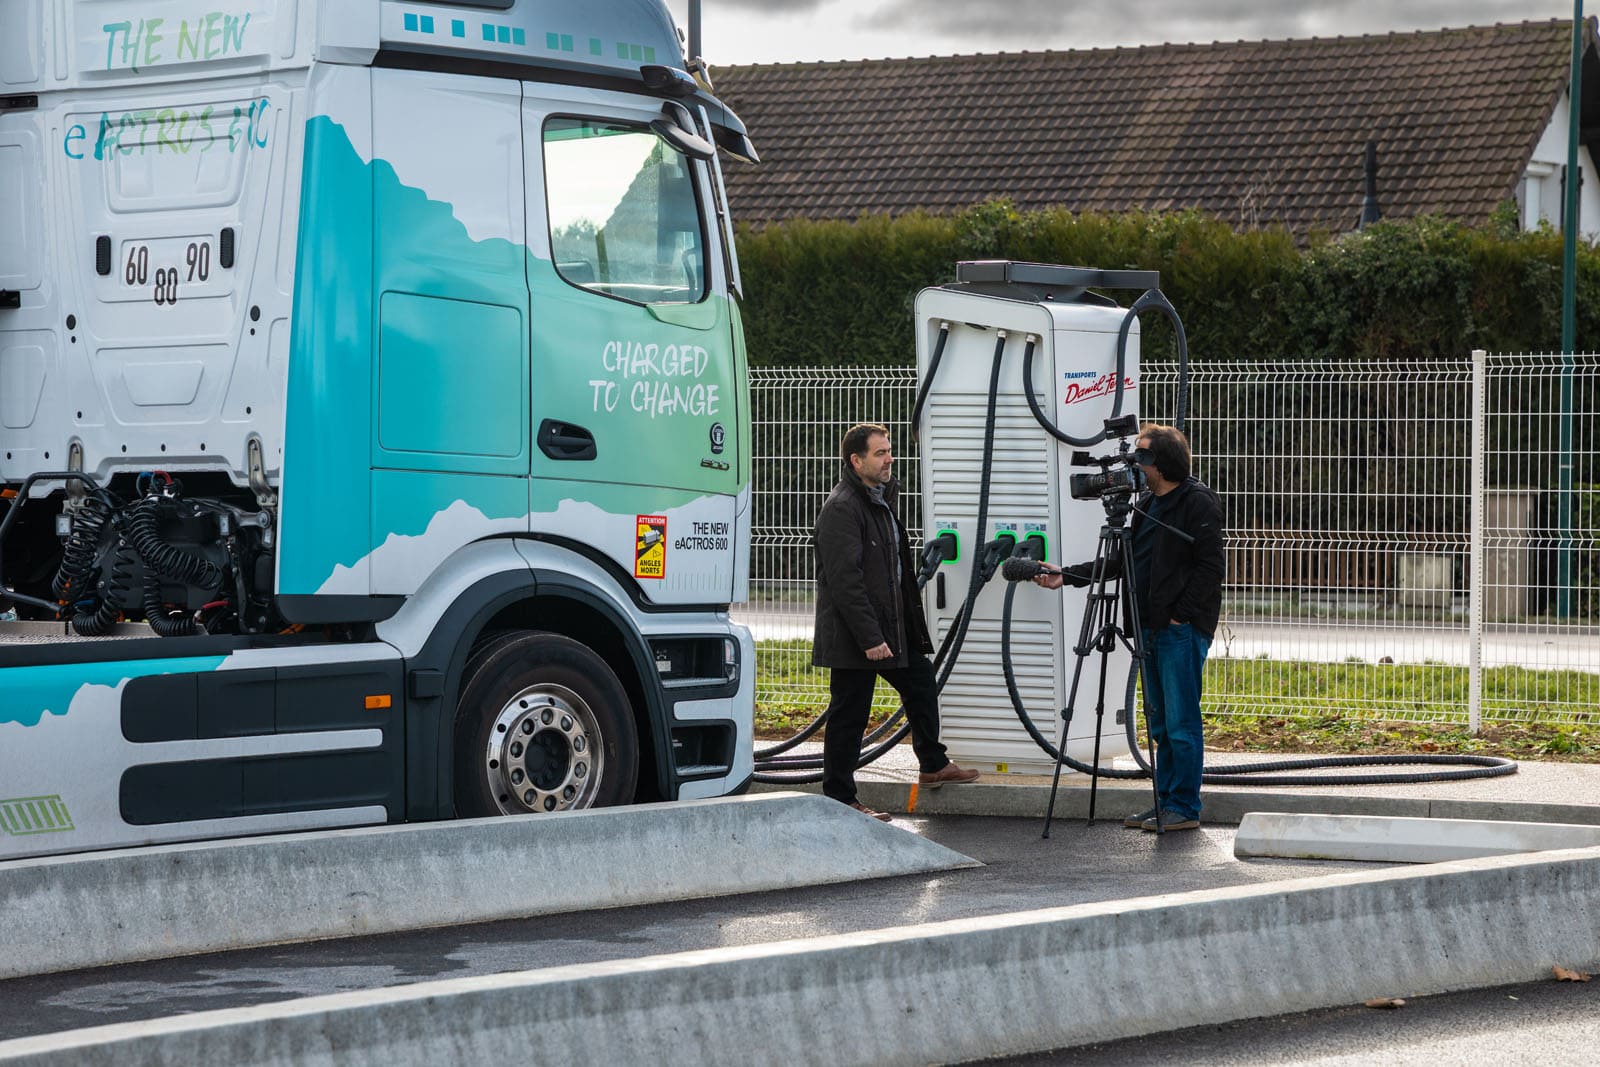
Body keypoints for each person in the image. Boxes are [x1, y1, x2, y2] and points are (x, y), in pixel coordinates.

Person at [1033, 423, 1224, 831]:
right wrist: (1066, 575)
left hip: (1180, 629)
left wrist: (1181, 615)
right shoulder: (1147, 504)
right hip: (1147, 625)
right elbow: (1121, 562)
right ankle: (1165, 801)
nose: (1134, 464)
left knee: (1181, 723)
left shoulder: (1197, 502)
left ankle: (1184, 807)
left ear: (1161, 462)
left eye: (1141, 455)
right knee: (1160, 723)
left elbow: (1211, 567)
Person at [813, 423, 980, 821]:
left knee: (920, 683)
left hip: (887, 628)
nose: (890, 458)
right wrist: (870, 637)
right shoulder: (842, 508)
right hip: (855, 634)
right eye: (880, 453)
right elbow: (846, 582)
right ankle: (839, 799)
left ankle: (933, 764)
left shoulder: (880, 499)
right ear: (856, 461)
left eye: (889, 450)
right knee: (849, 714)